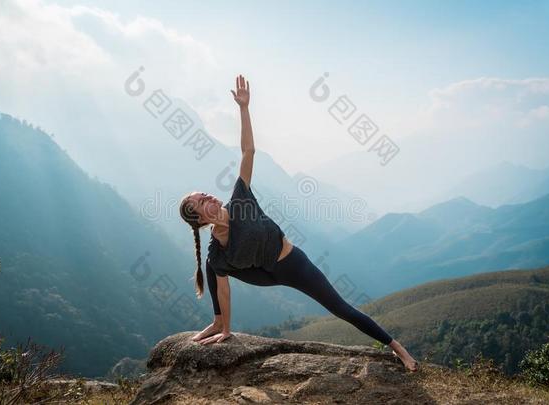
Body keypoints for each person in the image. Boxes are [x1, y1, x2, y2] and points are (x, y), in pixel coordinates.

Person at [179, 74, 418, 372]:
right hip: (262, 274)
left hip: (291, 262)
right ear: (200, 219)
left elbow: (248, 152)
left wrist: (243, 108)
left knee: (340, 308)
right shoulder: (217, 249)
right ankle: (217, 324)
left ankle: (397, 348)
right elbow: (224, 291)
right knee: (214, 266)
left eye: (204, 193)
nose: (207, 197)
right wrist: (227, 329)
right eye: (200, 202)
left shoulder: (240, 199)